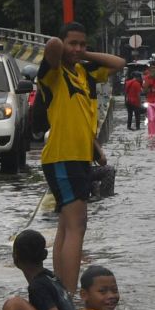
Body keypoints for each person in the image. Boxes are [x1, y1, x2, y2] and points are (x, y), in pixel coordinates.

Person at [38, 22, 126, 293]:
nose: (77, 48)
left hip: (79, 156)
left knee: (66, 226)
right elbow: (52, 45)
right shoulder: (54, 73)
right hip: (62, 156)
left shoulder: (84, 73)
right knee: (78, 226)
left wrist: (82, 55)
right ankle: (71, 293)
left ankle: (62, 291)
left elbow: (118, 62)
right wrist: (65, 49)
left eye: (82, 44)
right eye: (72, 43)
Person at [1, 229, 78, 310]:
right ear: (44, 255)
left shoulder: (37, 287)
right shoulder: (50, 276)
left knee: (14, 304)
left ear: (15, 258)